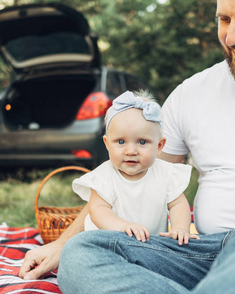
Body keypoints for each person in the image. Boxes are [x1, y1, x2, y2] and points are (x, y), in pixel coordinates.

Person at [20, 0, 235, 292]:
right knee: (85, 253)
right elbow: (125, 181)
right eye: (224, 19)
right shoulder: (192, 94)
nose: (232, 37)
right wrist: (61, 245)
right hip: (207, 253)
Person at [72, 90, 197, 245]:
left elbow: (178, 204)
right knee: (82, 251)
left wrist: (179, 228)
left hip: (149, 246)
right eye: (120, 141)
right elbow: (98, 211)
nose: (130, 151)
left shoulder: (166, 173)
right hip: (108, 245)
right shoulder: (104, 176)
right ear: (107, 144)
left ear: (159, 146)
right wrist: (123, 227)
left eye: (142, 142)